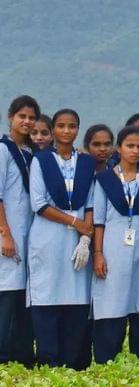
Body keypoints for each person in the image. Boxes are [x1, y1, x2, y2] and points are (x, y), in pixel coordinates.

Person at [27, 107, 96, 368]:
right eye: (61, 126)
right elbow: (39, 204)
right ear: (53, 129)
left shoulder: (86, 162)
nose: (66, 131)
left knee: (76, 300)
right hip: (47, 238)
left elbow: (90, 202)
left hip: (78, 241)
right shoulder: (41, 160)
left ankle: (71, 363)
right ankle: (48, 362)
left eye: (72, 126)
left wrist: (86, 239)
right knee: (47, 298)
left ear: (78, 129)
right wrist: (75, 222)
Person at [90, 126, 139, 363]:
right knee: (112, 301)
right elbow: (98, 220)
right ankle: (105, 359)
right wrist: (98, 253)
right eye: (130, 146)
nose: (135, 151)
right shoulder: (104, 180)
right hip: (112, 246)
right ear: (118, 148)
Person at [0, 96, 38, 366]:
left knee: (22, 297)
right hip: (9, 235)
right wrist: (5, 233)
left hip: (28, 235)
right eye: (22, 116)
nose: (26, 121)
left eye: (31, 117)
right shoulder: (3, 150)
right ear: (10, 117)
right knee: (7, 296)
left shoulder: (31, 152)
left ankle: (19, 353)